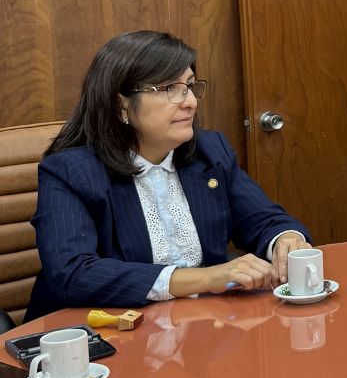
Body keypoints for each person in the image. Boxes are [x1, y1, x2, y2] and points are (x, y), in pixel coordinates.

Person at [27, 30, 311, 320]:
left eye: (189, 86)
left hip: (198, 327)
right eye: (169, 89)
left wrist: (285, 238)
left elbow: (264, 220)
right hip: (95, 338)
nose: (190, 102)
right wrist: (208, 279)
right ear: (121, 104)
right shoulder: (70, 172)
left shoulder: (210, 152)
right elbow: (74, 273)